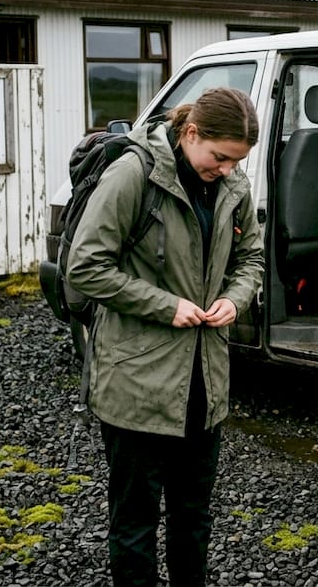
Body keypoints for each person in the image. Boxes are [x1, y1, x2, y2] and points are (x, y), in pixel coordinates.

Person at [66, 87, 265, 586]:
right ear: (191, 132)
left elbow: (252, 261)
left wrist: (234, 300)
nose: (226, 170)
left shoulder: (233, 185)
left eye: (236, 162)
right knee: (135, 523)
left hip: (204, 384)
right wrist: (165, 305)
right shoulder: (134, 175)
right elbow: (85, 267)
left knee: (193, 517)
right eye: (219, 158)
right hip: (135, 381)